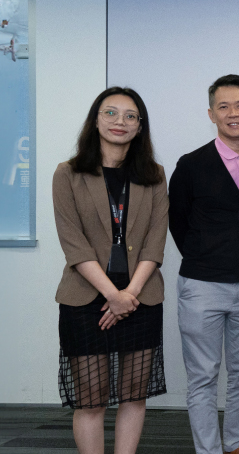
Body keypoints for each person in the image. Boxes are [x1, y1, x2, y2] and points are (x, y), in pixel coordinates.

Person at [53, 87, 168, 454]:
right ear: (96, 120)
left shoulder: (154, 175)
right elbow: (74, 243)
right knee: (91, 398)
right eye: (111, 113)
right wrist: (112, 295)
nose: (121, 121)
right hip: (87, 296)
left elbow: (155, 242)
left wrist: (128, 295)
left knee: (134, 395)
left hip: (140, 295)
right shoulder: (68, 173)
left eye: (130, 116)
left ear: (140, 127)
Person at [168, 74, 239, 454]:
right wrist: (208, 256)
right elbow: (178, 222)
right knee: (203, 377)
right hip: (202, 286)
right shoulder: (191, 164)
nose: (232, 113)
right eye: (223, 107)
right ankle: (207, 450)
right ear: (211, 114)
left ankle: (236, 444)